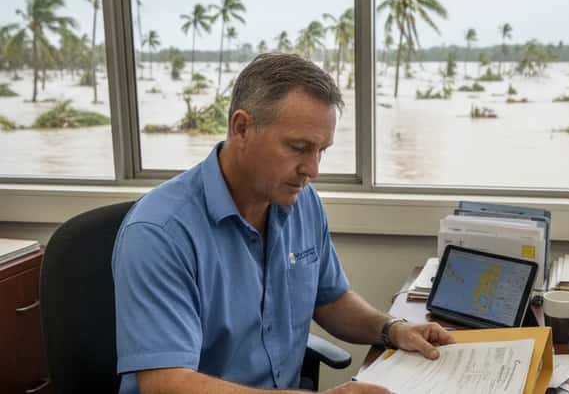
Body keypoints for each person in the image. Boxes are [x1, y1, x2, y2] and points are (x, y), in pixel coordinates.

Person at [112, 53, 454, 394]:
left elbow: (330, 299)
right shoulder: (159, 233)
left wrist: (392, 329)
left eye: (321, 150)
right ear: (241, 128)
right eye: (299, 147)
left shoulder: (301, 201)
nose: (313, 169)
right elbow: (166, 384)